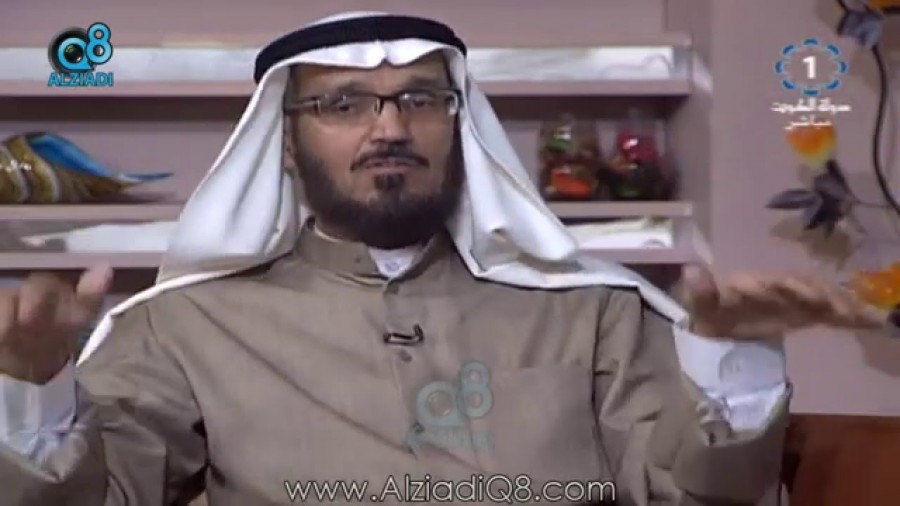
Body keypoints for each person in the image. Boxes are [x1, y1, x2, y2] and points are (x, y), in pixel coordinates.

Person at [0, 11, 892, 506]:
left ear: (459, 124)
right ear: (285, 144)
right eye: (344, 104)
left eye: (420, 99)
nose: (389, 127)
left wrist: (733, 363)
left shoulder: (591, 309)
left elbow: (692, 495)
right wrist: (35, 393)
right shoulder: (187, 323)